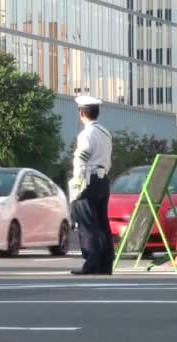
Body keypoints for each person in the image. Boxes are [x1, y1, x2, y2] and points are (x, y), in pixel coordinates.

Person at [69, 96, 114, 275]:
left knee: (87, 224)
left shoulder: (86, 134)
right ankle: (105, 264)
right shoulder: (105, 133)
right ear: (97, 113)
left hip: (88, 179)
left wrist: (76, 184)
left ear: (81, 114)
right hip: (103, 179)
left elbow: (81, 160)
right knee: (103, 224)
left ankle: (91, 264)